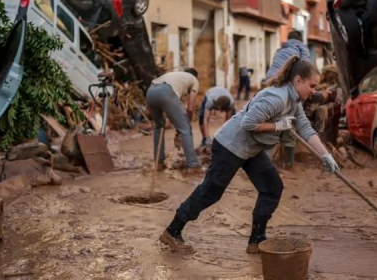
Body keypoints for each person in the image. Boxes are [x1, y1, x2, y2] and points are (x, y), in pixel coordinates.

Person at [159, 56, 340, 254]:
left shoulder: (294, 100)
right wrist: (278, 125)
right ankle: (172, 230)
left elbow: (304, 127)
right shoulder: (277, 98)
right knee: (211, 192)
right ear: (298, 81)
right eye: (311, 85)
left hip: (251, 148)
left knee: (272, 187)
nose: (314, 91)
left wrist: (325, 155)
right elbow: (248, 123)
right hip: (230, 145)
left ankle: (257, 239)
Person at [263, 30, 313, 168]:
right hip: (286, 87)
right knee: (291, 122)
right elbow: (307, 70)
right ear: (300, 40)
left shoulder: (280, 50)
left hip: (270, 84)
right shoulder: (302, 49)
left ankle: (264, 163)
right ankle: (289, 163)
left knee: (270, 122)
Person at [146, 68, 202, 171]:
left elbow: (172, 110)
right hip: (166, 91)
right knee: (185, 129)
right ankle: (193, 165)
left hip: (150, 92)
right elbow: (190, 108)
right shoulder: (194, 80)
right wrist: (186, 122)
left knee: (159, 126)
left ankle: (159, 163)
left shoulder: (176, 76)